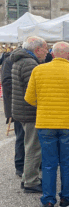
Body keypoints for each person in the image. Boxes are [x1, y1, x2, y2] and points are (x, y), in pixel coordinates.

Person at [25, 42, 69, 207]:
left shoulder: (38, 70)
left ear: (52, 54)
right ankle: (66, 197)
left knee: (48, 163)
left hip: (45, 123)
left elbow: (29, 98)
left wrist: (45, 105)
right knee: (67, 162)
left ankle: (47, 202)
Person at [11, 36, 48, 193]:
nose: (47, 52)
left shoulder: (20, 59)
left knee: (29, 145)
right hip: (29, 111)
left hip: (21, 110)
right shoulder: (30, 63)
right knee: (33, 147)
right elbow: (33, 92)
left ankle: (27, 177)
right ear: (37, 49)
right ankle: (31, 182)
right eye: (46, 49)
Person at [1, 46, 25, 177]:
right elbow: (6, 83)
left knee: (32, 137)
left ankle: (34, 164)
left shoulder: (32, 60)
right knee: (21, 136)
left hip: (28, 106)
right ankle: (20, 166)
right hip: (17, 105)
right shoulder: (9, 60)